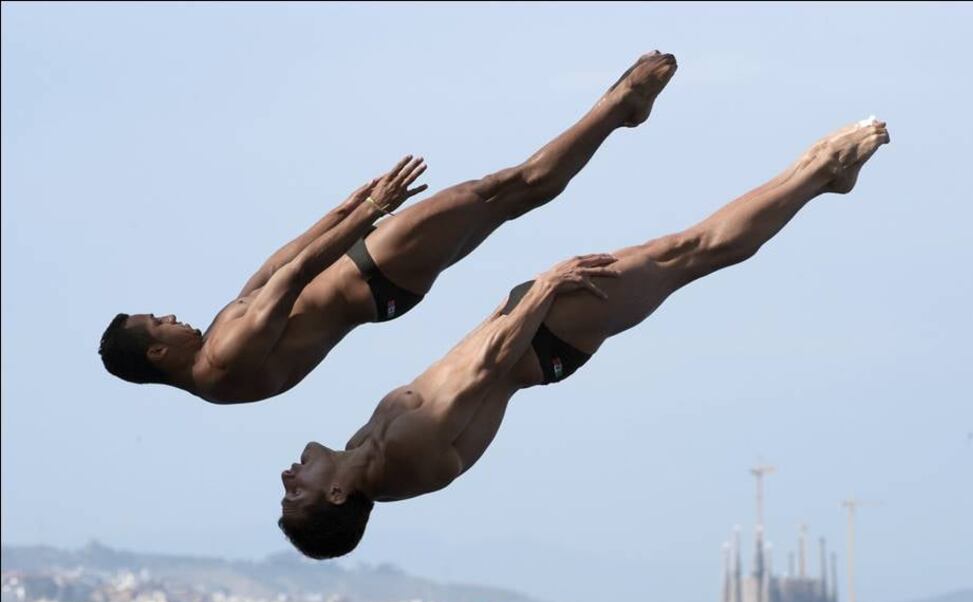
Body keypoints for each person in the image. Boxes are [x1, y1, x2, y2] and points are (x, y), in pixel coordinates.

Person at [277, 117, 891, 559]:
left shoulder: (365, 448)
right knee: (688, 254)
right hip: (540, 337)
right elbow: (487, 367)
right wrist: (547, 287)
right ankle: (819, 174)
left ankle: (813, 176)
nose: (286, 479)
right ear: (336, 493)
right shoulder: (401, 457)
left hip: (529, 329)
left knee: (679, 252)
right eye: (294, 496)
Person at [98, 51, 679, 404]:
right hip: (372, 270)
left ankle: (617, 110)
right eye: (160, 323)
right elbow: (296, 273)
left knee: (510, 196)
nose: (172, 316)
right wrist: (372, 211)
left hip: (375, 282)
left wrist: (342, 211)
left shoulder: (216, 367)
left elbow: (273, 268)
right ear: (155, 352)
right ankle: (621, 104)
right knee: (503, 189)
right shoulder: (223, 354)